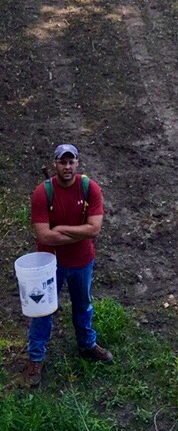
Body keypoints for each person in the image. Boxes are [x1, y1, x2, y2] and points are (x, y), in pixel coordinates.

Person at [26, 142, 109, 386]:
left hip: (83, 261)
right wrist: (80, 233)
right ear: (55, 164)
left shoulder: (89, 188)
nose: (67, 166)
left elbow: (95, 228)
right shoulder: (42, 193)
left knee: (83, 304)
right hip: (49, 264)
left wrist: (61, 229)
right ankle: (35, 358)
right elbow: (43, 236)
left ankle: (87, 345)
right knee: (42, 310)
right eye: (63, 161)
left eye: (71, 161)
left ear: (77, 163)